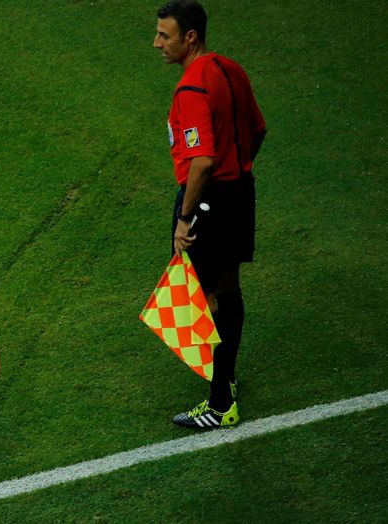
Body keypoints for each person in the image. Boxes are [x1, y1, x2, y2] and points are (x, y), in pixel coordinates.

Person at [153, 0, 266, 428]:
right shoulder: (230, 70)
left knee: (200, 298)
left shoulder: (192, 88)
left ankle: (220, 403)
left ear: (190, 37)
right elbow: (257, 129)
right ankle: (227, 383)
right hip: (240, 193)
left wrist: (185, 218)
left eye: (165, 35)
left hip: (206, 202)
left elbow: (200, 160)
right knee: (226, 285)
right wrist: (236, 174)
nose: (158, 42)